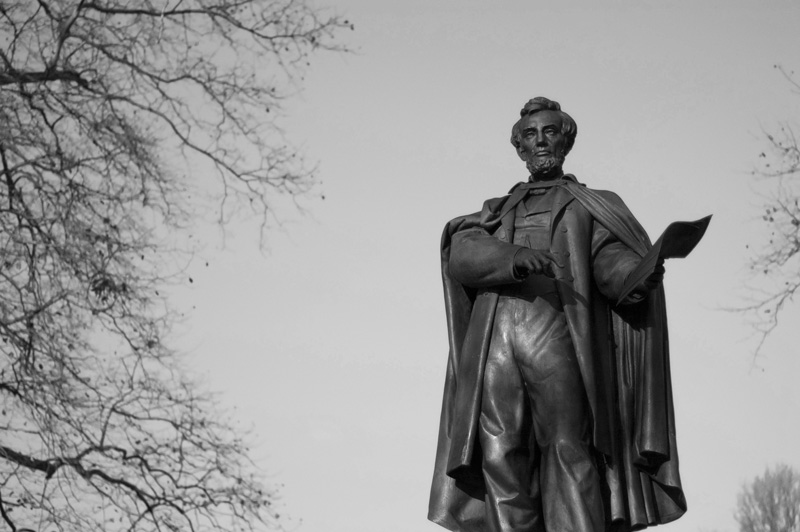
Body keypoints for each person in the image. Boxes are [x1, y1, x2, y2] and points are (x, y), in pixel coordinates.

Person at [428, 97, 686, 532]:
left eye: (550, 132)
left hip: (558, 327)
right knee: (500, 453)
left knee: (568, 446)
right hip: (496, 336)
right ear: (519, 148)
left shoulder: (591, 205)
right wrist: (514, 257)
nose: (540, 141)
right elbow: (461, 253)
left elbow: (609, 264)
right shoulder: (495, 210)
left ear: (566, 141)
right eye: (530, 135)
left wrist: (639, 275)